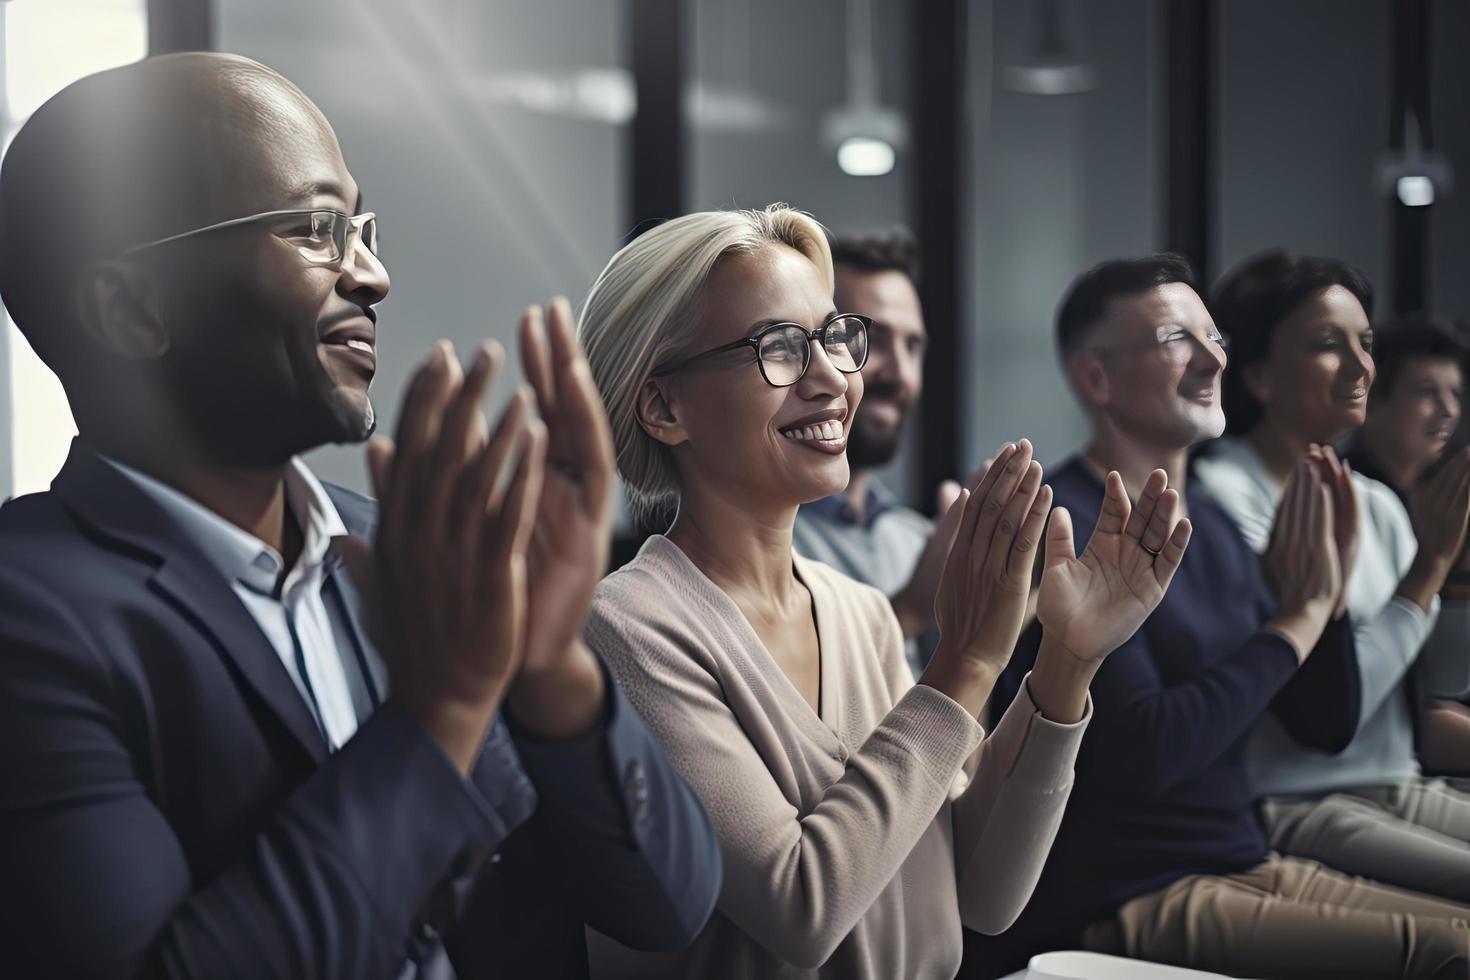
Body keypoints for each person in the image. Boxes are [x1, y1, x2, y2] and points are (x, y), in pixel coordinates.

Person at [0, 52, 719, 979]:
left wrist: (551, 667)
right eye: (316, 230)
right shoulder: (29, 615)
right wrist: (444, 707)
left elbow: (668, 906)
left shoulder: (405, 550)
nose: (373, 276)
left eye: (361, 227)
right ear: (131, 307)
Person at [577, 205, 1195, 979]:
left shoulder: (860, 610)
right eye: (778, 347)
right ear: (665, 407)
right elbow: (802, 912)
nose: (836, 378)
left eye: (834, 339)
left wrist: (1067, 664)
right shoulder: (629, 628)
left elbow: (981, 892)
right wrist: (964, 664)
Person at [968, 255, 1470, 979]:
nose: (1212, 358)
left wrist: (1322, 601)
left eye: (1216, 340)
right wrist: (1295, 623)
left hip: (1245, 857)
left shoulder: (1211, 523)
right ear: (1095, 378)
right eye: (1178, 338)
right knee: (1450, 952)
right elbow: (1150, 753)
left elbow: (1322, 723)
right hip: (1130, 893)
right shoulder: (1065, 526)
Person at [1196, 249, 1470, 907]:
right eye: (1327, 345)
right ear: (1259, 375)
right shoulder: (1225, 499)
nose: (1361, 368)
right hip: (1292, 799)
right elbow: (1330, 714)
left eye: (1366, 344)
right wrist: (1428, 569)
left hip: (1393, 782)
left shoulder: (1375, 503)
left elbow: (1426, 688)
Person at [791, 229, 947, 674]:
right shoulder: (767, 538)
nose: (900, 373)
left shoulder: (920, 539)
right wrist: (914, 608)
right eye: (869, 339)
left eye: (913, 346)